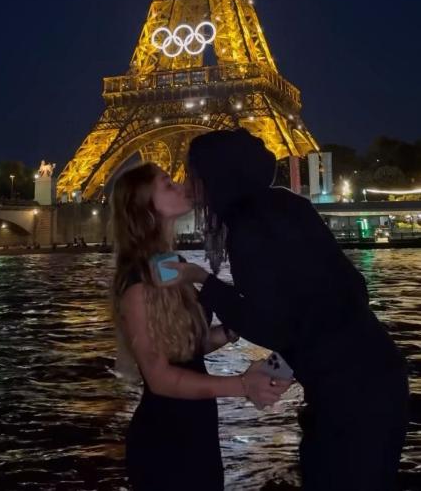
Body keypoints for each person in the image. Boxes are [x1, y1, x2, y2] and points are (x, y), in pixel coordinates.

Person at [171, 129, 408, 490]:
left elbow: (273, 324)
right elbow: (346, 293)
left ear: (217, 174)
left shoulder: (246, 227)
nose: (190, 182)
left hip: (345, 398)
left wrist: (204, 280)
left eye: (195, 173)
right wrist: (287, 360)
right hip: (381, 377)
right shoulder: (289, 205)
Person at [109, 162, 290, 490]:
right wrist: (243, 385)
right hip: (165, 438)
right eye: (167, 184)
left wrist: (235, 328)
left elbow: (190, 346)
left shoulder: (171, 264)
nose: (180, 185)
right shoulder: (137, 281)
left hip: (198, 427)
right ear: (145, 208)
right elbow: (160, 378)